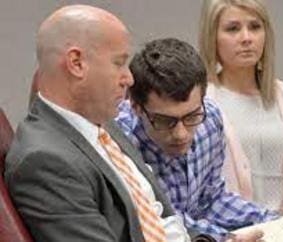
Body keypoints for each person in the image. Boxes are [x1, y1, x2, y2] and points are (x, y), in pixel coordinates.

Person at [5, 5, 192, 242]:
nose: (129, 78)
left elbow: (161, 218)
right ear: (76, 63)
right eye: (119, 63)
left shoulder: (102, 124)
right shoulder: (44, 161)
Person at [116, 37, 279, 242]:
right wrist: (226, 238)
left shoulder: (209, 119)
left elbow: (211, 200)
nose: (181, 134)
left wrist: (273, 222)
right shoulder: (119, 143)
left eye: (191, 116)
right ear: (136, 107)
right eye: (165, 121)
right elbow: (161, 220)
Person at [198, 0, 283, 214]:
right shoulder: (201, 102)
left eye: (255, 27)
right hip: (235, 232)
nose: (246, 38)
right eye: (233, 29)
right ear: (212, 38)